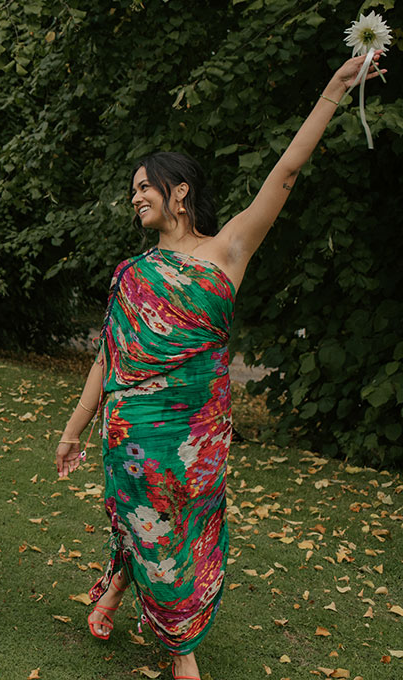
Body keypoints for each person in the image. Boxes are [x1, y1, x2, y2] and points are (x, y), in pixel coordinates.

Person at [54, 51, 387, 680]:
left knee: (181, 524)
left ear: (178, 192)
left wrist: (336, 88)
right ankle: (183, 653)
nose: (136, 198)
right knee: (144, 517)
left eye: (144, 187)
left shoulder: (227, 250)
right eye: (133, 193)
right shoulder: (132, 273)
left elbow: (286, 172)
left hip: (198, 432)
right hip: (132, 427)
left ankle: (119, 588)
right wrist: (74, 427)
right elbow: (108, 354)